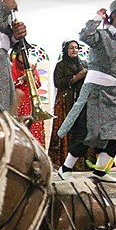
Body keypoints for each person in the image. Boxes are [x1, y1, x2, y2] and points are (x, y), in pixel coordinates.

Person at [57, 0, 116, 183]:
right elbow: (84, 35)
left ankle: (100, 172)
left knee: (114, 134)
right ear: (115, 17)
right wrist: (97, 17)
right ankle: (65, 168)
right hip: (94, 91)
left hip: (113, 94)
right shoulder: (101, 35)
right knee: (88, 132)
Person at [48, 40, 90, 169]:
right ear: (66, 50)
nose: (74, 50)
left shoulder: (83, 63)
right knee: (65, 128)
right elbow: (58, 83)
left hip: (81, 101)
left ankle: (81, 163)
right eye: (71, 48)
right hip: (65, 102)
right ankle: (63, 161)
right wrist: (76, 77)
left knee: (81, 129)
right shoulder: (61, 65)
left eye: (76, 48)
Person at [11, 52, 45, 145]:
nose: (23, 57)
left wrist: (32, 75)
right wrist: (24, 77)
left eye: (25, 55)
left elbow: (37, 85)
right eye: (21, 54)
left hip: (31, 100)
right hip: (20, 99)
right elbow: (12, 84)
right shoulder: (12, 66)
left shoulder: (30, 66)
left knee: (34, 125)